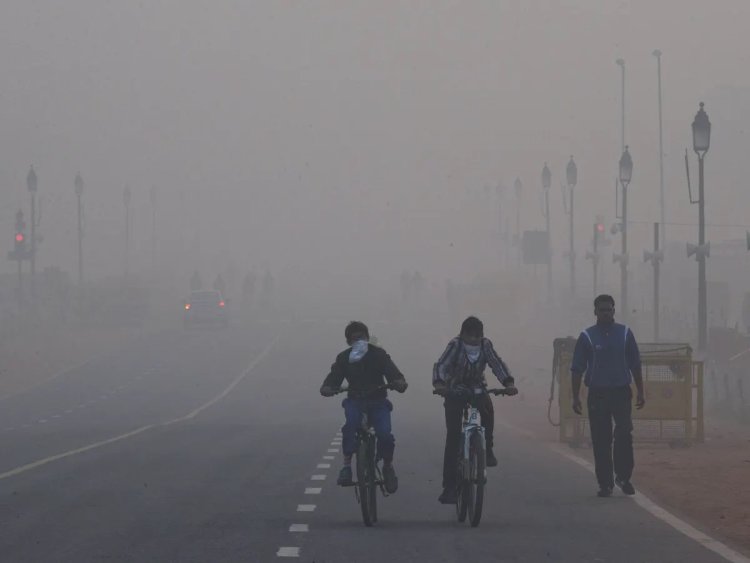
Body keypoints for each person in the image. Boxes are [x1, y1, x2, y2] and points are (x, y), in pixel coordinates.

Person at [433, 316, 517, 504]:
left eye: (477, 337)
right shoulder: (455, 345)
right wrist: (439, 384)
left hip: (477, 388)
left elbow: (497, 363)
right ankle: (449, 487)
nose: (474, 340)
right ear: (462, 335)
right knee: (454, 436)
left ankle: (488, 448)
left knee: (487, 409)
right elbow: (441, 365)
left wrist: (508, 382)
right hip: (454, 390)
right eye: (470, 336)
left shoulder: (486, 345)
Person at [320, 321, 408, 494]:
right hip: (355, 401)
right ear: (348, 342)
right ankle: (346, 467)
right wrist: (328, 388)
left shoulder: (379, 355)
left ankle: (388, 466)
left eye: (362, 338)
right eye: (354, 340)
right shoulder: (344, 358)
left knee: (385, 435)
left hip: (378, 401)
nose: (359, 342)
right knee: (350, 426)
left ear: (368, 338)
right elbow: (332, 380)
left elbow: (394, 374)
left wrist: (398, 383)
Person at [571, 294, 645, 498]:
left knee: (624, 434)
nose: (606, 313)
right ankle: (605, 484)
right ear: (595, 311)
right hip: (597, 394)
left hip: (621, 392)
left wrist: (641, 391)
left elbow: (635, 364)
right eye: (602, 310)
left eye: (609, 309)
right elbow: (577, 368)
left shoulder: (625, 333)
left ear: (614, 310)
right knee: (601, 440)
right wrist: (575, 396)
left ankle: (623, 477)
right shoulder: (587, 336)